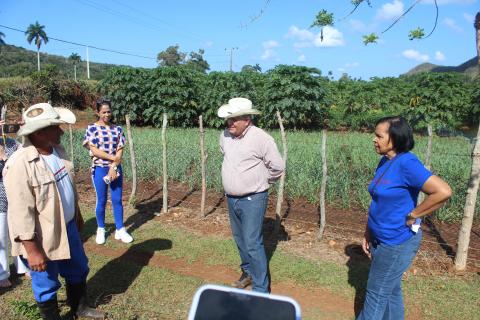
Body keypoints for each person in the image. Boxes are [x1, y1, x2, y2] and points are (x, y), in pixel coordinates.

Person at [4, 102, 104, 319]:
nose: (60, 131)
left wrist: (76, 215)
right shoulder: (20, 164)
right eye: (55, 127)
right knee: (46, 281)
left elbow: (67, 188)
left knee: (78, 268)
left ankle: (80, 307)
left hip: (67, 226)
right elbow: (20, 212)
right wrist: (32, 250)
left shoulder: (57, 150)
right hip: (41, 236)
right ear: (39, 133)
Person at [358, 116, 452, 320]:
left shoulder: (407, 163)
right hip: (379, 237)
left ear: (394, 138)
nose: (373, 139)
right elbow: (378, 201)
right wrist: (368, 231)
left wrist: (414, 214)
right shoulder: (385, 161)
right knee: (390, 291)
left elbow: (443, 191)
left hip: (396, 241)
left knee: (376, 294)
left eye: (378, 136)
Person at [217, 97, 285, 293]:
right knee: (240, 239)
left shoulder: (261, 138)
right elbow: (227, 155)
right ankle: (247, 273)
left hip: (253, 199)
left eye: (234, 119)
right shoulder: (225, 135)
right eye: (229, 119)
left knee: (253, 242)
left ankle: (261, 288)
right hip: (231, 198)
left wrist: (263, 182)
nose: (230, 123)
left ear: (247, 119)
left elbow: (277, 167)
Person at [83, 98, 132, 244]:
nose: (107, 114)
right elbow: (94, 150)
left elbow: (120, 148)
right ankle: (101, 228)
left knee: (117, 199)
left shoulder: (117, 129)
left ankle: (120, 229)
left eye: (109, 111)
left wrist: (114, 166)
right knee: (102, 200)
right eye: (103, 112)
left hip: (115, 168)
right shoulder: (92, 128)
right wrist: (113, 159)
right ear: (97, 112)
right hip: (99, 168)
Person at [0, 123, 29, 287]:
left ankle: (23, 265)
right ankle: (2, 272)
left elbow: (24, 156)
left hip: (15, 195)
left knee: (18, 231)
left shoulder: (11, 143)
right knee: (1, 235)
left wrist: (25, 131)